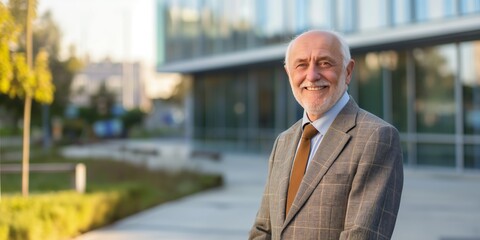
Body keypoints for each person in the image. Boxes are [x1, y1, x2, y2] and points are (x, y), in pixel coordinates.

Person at [249, 30, 404, 240]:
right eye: (301, 65)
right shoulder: (283, 142)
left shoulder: (376, 137)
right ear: (289, 74)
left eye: (324, 63)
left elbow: (361, 236)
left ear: (348, 71)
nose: (311, 75)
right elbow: (263, 230)